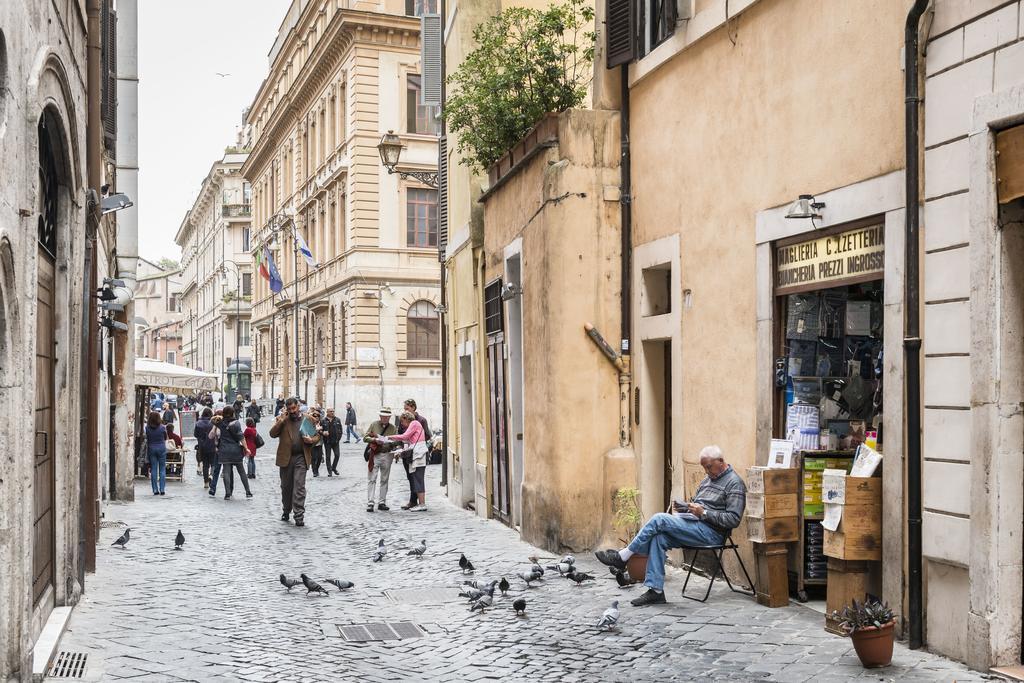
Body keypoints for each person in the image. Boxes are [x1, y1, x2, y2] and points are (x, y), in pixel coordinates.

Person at [594, 445, 746, 606]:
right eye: (704, 468)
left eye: (708, 467)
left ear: (721, 461)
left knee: (659, 519)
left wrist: (704, 513)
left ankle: (623, 556)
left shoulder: (734, 483)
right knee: (659, 538)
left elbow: (733, 520)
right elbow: (697, 503)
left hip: (712, 534)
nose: (707, 471)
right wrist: (686, 509)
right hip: (695, 526)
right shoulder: (707, 480)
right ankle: (656, 591)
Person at [270, 397, 318, 526]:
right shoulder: (283, 420)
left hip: (301, 457)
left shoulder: (308, 419)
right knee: (286, 487)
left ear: (298, 406)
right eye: (289, 409)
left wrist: (311, 440)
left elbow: (316, 435)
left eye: (294, 408)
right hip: (286, 458)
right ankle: (286, 510)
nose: (292, 411)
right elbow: (272, 434)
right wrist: (282, 420)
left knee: (299, 486)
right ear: (286, 408)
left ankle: (299, 515)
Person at [384, 410, 430, 511]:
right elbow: (408, 440)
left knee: (418, 479)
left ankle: (422, 504)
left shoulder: (414, 423)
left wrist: (389, 437)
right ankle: (421, 504)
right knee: (417, 479)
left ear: (406, 419)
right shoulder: (414, 425)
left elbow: (405, 436)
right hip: (418, 453)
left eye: (402, 421)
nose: (401, 424)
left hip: (419, 454)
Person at [394, 399, 431, 510]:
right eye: (404, 408)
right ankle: (413, 501)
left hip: (416, 452)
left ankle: (418, 502)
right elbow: (401, 435)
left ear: (413, 407)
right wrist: (399, 448)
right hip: (407, 453)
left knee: (417, 477)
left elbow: (427, 435)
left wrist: (414, 440)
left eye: (407, 408)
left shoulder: (421, 420)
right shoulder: (403, 420)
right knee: (410, 477)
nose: (405, 410)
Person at [209, 406, 253, 500]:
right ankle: (248, 491)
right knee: (242, 472)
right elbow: (241, 437)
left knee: (226, 473)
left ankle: (227, 494)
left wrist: (219, 417)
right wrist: (246, 448)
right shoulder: (236, 423)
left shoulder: (220, 423)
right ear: (233, 413)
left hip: (224, 450)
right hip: (235, 450)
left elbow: (212, 420)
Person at [363, 408, 397, 512]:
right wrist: (374, 440)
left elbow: (397, 441)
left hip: (387, 454)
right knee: (372, 478)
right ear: (380, 416)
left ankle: (382, 502)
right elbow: (365, 438)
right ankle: (370, 502)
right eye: (383, 416)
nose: (385, 418)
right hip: (375, 454)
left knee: (384, 479)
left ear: (390, 417)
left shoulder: (393, 428)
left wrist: (391, 443)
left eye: (387, 417)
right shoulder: (374, 424)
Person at [144, 411, 168, 496]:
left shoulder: (147, 428)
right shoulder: (162, 427)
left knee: (153, 469)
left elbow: (146, 437)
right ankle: (162, 489)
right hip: (161, 448)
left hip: (151, 448)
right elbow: (165, 438)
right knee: (162, 469)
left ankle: (155, 489)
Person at [194, 408, 217, 487]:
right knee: (213, 463)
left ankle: (206, 482)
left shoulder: (198, 423)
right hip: (212, 445)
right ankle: (211, 475)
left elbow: (195, 434)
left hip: (202, 446)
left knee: (205, 464)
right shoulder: (213, 423)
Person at [320, 407, 343, 476]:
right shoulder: (323, 421)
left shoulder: (337, 420)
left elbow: (340, 430)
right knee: (328, 457)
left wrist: (338, 438)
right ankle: (330, 471)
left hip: (335, 441)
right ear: (327, 412)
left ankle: (333, 467)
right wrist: (323, 433)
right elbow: (319, 430)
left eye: (333, 411)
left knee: (337, 455)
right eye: (331, 411)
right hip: (327, 441)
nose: (332, 412)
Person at [308, 407, 326, 477]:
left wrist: (322, 431)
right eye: (314, 416)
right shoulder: (310, 424)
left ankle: (316, 469)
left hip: (320, 443)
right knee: (314, 457)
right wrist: (316, 430)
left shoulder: (321, 423)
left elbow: (325, 430)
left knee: (319, 458)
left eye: (317, 417)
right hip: (313, 443)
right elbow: (309, 432)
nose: (316, 418)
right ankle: (314, 471)